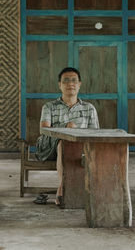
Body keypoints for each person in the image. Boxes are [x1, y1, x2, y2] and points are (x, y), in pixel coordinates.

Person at [35, 67, 99, 207]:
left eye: (74, 80)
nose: (71, 84)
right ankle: (65, 188)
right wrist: (65, 128)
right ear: (60, 85)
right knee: (64, 141)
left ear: (79, 84)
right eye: (66, 81)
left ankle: (62, 188)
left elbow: (94, 134)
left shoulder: (89, 108)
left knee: (72, 144)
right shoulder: (49, 106)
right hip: (49, 148)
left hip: (80, 148)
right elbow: (44, 130)